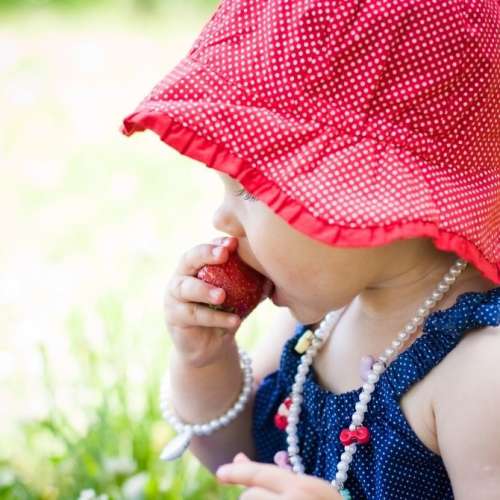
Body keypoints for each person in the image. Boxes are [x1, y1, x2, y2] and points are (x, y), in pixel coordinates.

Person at [120, 0, 500, 498]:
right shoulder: (320, 319)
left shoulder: (479, 371)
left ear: (377, 192)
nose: (221, 218)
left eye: (252, 189)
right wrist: (205, 363)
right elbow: (239, 459)